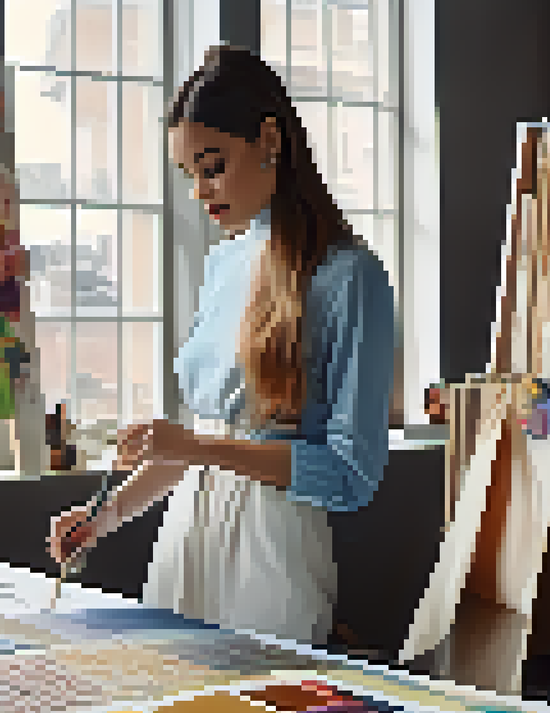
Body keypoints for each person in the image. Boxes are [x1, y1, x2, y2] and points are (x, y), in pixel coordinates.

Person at [48, 45, 396, 645]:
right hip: (187, 535)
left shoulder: (350, 278)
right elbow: (204, 442)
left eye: (212, 166)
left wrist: (199, 445)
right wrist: (106, 515)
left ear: (269, 139)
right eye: (190, 176)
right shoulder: (223, 262)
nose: (201, 193)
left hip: (272, 548)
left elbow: (349, 473)